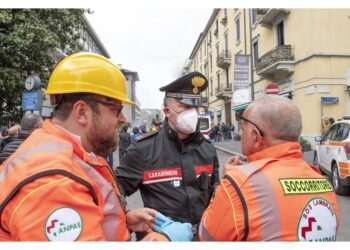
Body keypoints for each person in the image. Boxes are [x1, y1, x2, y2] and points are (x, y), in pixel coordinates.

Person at [0, 52, 192, 241]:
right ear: (82, 112)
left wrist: (122, 222)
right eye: (116, 109)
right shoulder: (54, 182)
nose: (123, 119)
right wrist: (164, 240)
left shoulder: (64, 152)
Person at [198, 95, 340, 241]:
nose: (240, 133)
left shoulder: (239, 184)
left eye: (242, 128)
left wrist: (223, 188)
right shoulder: (323, 183)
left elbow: (206, 235)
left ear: (255, 136)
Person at [116, 71, 220, 240]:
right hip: (162, 238)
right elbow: (115, 190)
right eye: (185, 107)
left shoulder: (207, 149)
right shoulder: (143, 149)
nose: (192, 113)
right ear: (167, 111)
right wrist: (126, 218)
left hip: (203, 236)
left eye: (195, 107)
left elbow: (215, 192)